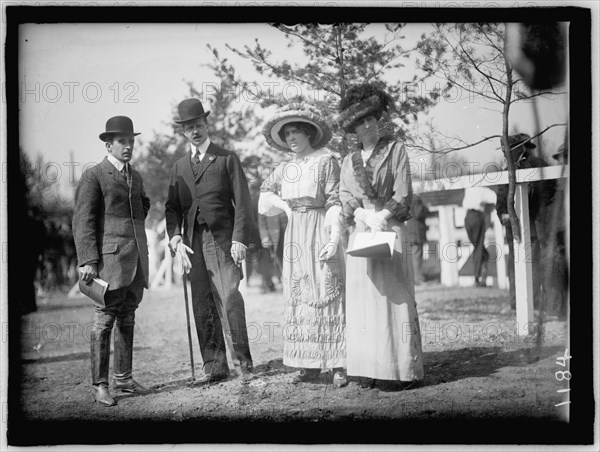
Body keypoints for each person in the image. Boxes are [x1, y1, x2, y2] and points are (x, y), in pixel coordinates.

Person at [337, 83, 424, 389]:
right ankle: (369, 368)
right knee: (364, 299)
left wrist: (381, 216)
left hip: (389, 225)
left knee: (393, 297)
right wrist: (361, 214)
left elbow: (403, 192)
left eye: (371, 118)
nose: (368, 124)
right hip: (362, 229)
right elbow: (345, 194)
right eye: (361, 122)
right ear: (353, 130)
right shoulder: (348, 160)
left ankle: (398, 370)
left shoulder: (396, 150)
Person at [165, 98, 254, 384]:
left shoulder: (226, 158)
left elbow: (243, 203)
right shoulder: (179, 166)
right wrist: (175, 236)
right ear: (183, 132)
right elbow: (172, 207)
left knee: (230, 299)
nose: (194, 131)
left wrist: (239, 239)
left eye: (198, 125)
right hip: (192, 243)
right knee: (202, 303)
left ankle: (244, 364)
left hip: (223, 241)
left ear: (207, 124)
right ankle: (214, 367)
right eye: (189, 127)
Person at [259, 103, 347, 386]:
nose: (291, 139)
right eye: (287, 135)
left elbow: (335, 199)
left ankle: (337, 363)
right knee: (300, 291)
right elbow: (265, 192)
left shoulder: (326, 161)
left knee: (326, 287)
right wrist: (285, 208)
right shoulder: (286, 167)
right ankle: (307, 363)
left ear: (309, 133)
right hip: (295, 232)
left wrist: (333, 237)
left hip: (320, 227)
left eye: (296, 132)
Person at [72, 116, 152, 407]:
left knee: (128, 317)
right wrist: (88, 260)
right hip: (108, 263)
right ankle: (100, 385)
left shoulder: (136, 175)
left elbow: (143, 203)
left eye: (131, 141)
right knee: (103, 321)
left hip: (136, 260)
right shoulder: (94, 175)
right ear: (109, 144)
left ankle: (124, 378)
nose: (128, 146)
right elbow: (83, 220)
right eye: (123, 142)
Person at [495, 133, 556, 310]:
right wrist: (503, 212)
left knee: (534, 263)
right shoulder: (507, 169)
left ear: (521, 148)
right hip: (513, 228)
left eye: (509, 149)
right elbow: (501, 196)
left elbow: (549, 189)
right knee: (514, 264)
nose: (506, 153)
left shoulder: (536, 164)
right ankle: (516, 303)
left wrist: (537, 206)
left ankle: (534, 303)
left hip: (533, 224)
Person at [462, 186, 497, 287]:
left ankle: (478, 277)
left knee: (477, 246)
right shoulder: (483, 189)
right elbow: (495, 198)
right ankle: (479, 276)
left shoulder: (469, 187)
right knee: (479, 247)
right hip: (475, 216)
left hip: (469, 217)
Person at [406, 194, 429, 285]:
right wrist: (426, 208)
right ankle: (419, 278)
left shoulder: (408, 198)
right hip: (416, 233)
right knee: (417, 257)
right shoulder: (416, 199)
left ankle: (414, 278)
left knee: (413, 257)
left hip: (410, 232)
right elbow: (418, 214)